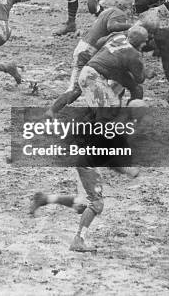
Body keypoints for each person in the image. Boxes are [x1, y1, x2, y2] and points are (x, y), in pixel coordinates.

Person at [31, 104, 143, 252]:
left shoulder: (111, 125)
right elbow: (111, 160)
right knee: (96, 204)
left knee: (82, 205)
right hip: (87, 166)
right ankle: (78, 240)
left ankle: (45, 199)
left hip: (86, 163)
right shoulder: (117, 131)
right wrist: (128, 171)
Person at [47, 0, 134, 116]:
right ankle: (97, 115)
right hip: (90, 52)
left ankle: (51, 112)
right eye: (131, 7)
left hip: (83, 49)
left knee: (76, 89)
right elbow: (111, 26)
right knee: (112, 83)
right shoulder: (119, 14)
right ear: (126, 6)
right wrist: (131, 27)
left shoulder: (108, 11)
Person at [78, 26, 148, 109]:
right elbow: (139, 79)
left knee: (113, 106)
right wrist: (145, 71)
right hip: (93, 78)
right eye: (144, 41)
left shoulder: (118, 36)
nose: (145, 44)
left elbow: (100, 41)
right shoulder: (134, 54)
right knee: (107, 111)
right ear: (139, 42)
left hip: (89, 71)